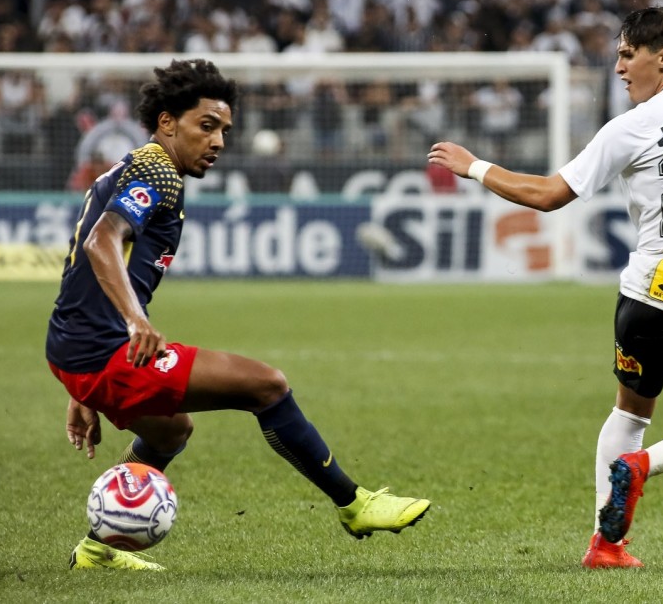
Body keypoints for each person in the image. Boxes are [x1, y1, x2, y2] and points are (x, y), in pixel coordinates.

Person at [428, 7, 663, 569]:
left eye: (628, 55)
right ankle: (643, 468)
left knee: (630, 411)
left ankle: (606, 546)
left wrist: (475, 166)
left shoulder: (633, 127)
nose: (618, 68)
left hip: (645, 299)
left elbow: (549, 195)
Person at [47, 59, 430, 571]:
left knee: (170, 431)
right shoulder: (156, 169)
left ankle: (98, 550)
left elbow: (83, 269)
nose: (219, 141)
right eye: (206, 126)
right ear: (167, 123)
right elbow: (101, 242)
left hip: (80, 349)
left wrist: (81, 383)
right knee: (266, 385)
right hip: (100, 350)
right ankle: (355, 504)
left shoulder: (137, 167)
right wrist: (132, 324)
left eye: (225, 130)